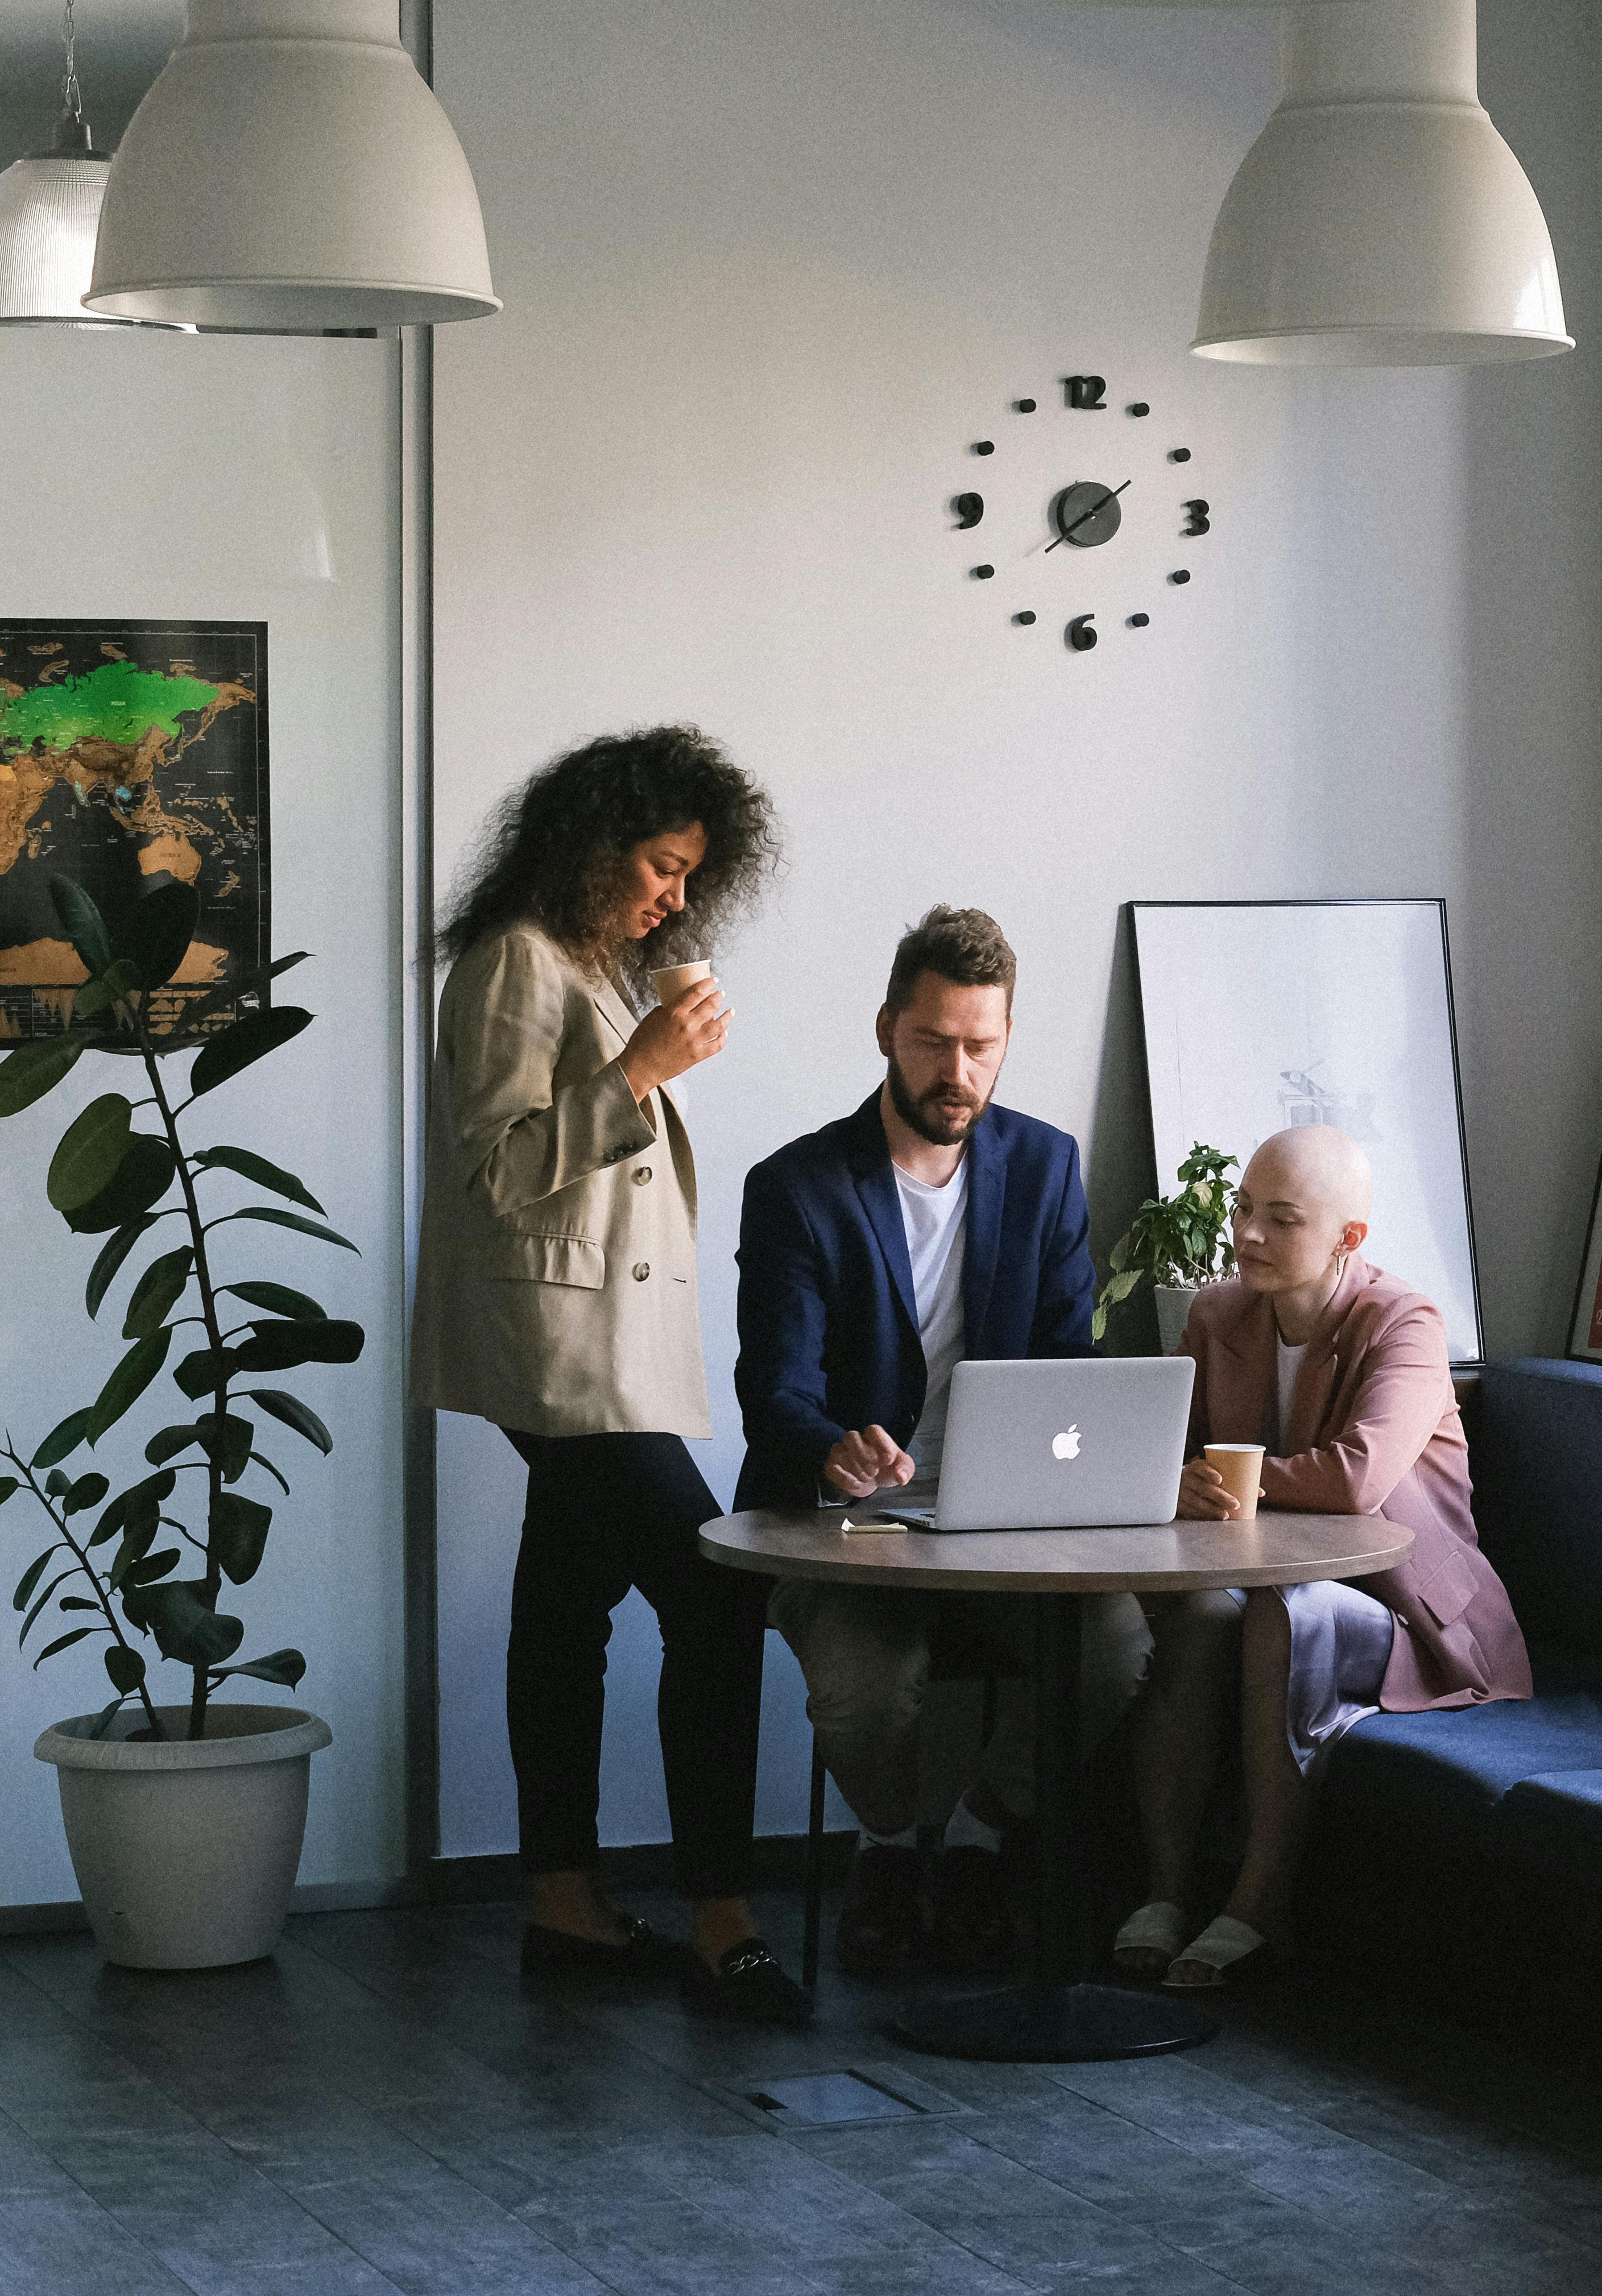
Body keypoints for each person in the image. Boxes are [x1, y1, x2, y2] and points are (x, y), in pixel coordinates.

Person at [411, 726, 805, 2021]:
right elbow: (496, 1175)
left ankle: (563, 1902)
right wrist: (643, 1068)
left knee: (566, 1606)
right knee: (711, 1593)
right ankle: (721, 1912)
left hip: (591, 1348)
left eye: (691, 875)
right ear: (595, 847)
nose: (675, 897)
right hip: (559, 1352)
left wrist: (642, 1056)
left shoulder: (577, 961)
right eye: (659, 864)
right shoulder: (516, 965)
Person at [735, 906, 1149, 1979]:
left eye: (981, 1044)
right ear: (886, 1030)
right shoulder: (799, 1188)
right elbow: (769, 1387)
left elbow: (1067, 1363)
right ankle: (883, 1848)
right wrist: (832, 1446)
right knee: (870, 1694)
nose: (957, 1069)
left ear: (1007, 1038)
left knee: (1118, 1648)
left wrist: (1078, 1463)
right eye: (934, 1041)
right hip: (839, 1532)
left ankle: (972, 1837)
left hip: (999, 1527)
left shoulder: (1046, 1167)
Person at [1113, 1124, 1530, 1988]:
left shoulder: (1404, 1322)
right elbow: (1171, 1452)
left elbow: (1357, 1478)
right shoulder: (1219, 1313)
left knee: (1284, 1613)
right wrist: (1179, 1482)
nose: (1248, 1235)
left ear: (1349, 1239)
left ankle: (1257, 1903)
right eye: (1242, 1209)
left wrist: (1234, 1484)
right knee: (1193, 1616)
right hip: (1268, 1583)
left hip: (1411, 1609)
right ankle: (1163, 1894)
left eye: (1281, 1218)